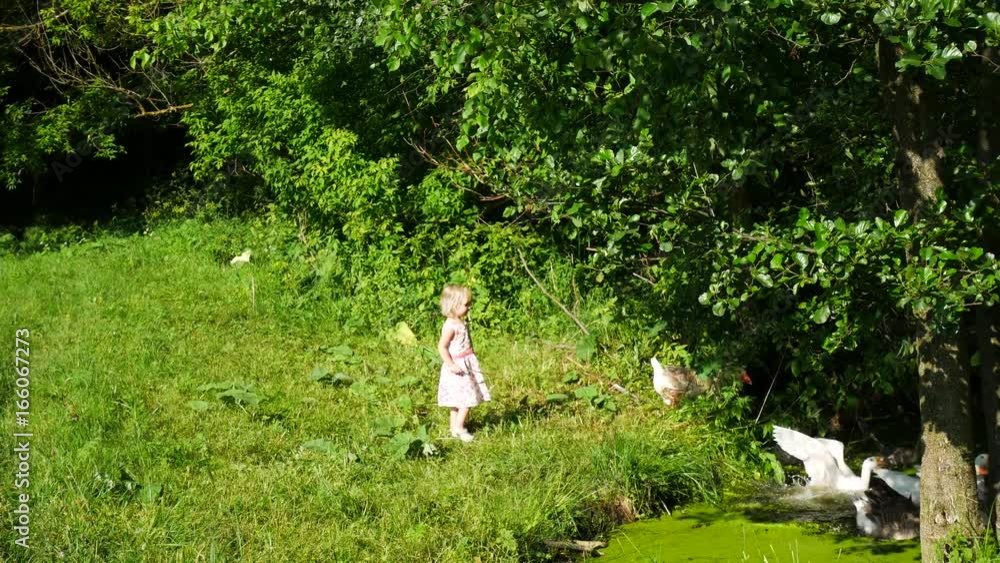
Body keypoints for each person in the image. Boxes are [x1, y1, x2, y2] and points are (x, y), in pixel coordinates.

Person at [437, 284, 491, 442]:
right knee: (466, 400)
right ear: (454, 306)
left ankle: (454, 428)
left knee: (457, 400)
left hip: (466, 363)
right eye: (466, 305)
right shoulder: (450, 326)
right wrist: (451, 364)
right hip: (458, 367)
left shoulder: (460, 322)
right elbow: (442, 346)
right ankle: (460, 428)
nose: (469, 307)